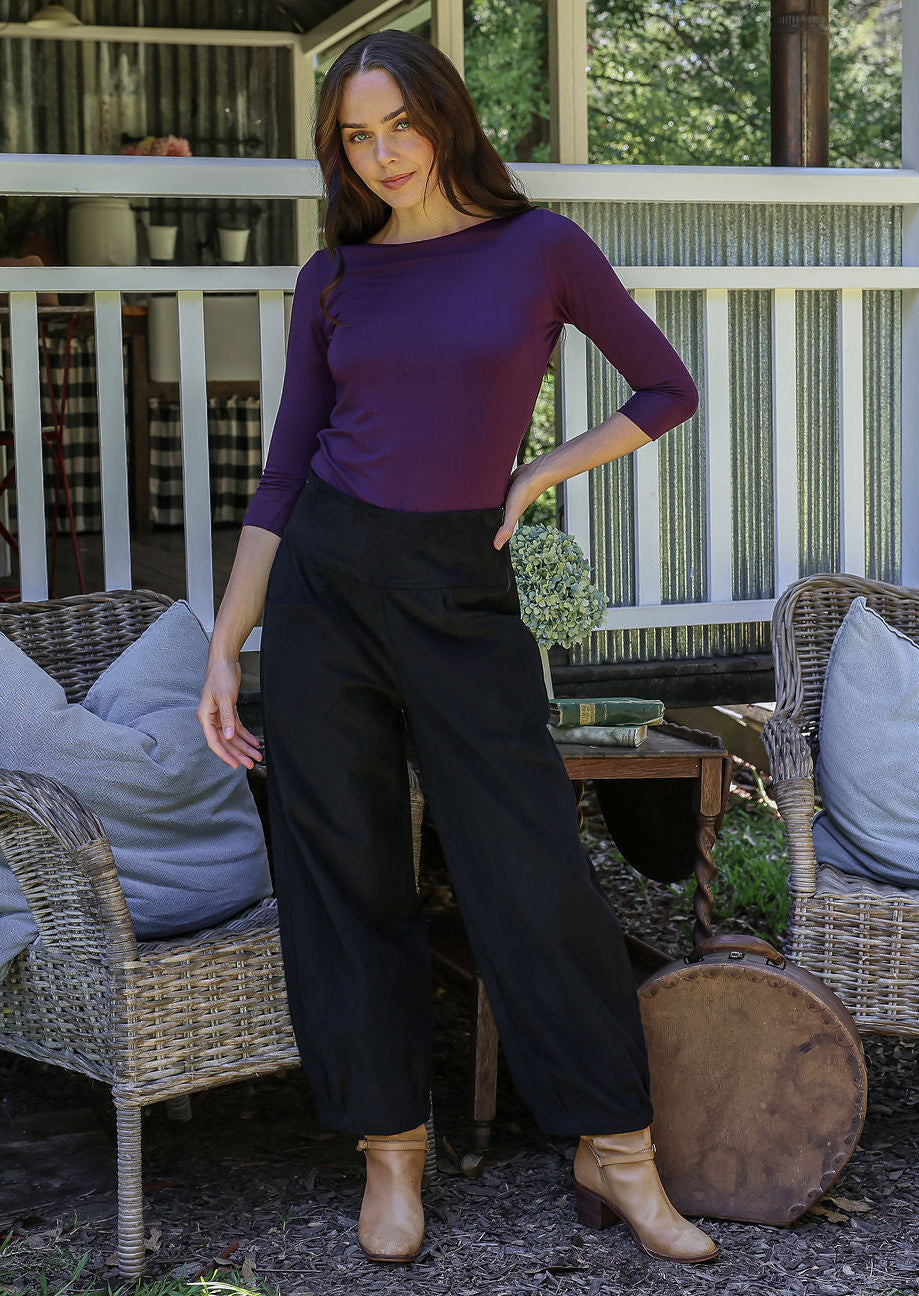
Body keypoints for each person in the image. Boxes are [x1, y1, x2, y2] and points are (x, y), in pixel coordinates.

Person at [197, 28, 718, 1269]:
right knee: (348, 876)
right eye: (352, 138)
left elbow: (665, 388)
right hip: (325, 587)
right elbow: (281, 481)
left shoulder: (539, 248)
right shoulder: (333, 276)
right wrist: (224, 650)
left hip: (459, 586)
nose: (378, 156)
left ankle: (619, 1148)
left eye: (397, 126)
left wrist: (540, 468)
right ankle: (391, 1154)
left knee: (528, 864)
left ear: (445, 118)